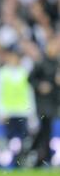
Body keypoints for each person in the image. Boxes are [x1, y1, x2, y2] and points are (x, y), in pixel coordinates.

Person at [0, 47, 36, 166]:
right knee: (8, 139)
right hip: (8, 113)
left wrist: (31, 113)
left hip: (22, 112)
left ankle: (19, 162)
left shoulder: (24, 73)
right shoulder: (0, 73)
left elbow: (29, 94)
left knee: (23, 140)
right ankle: (3, 162)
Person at [28, 38, 60, 167]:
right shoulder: (41, 63)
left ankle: (36, 154)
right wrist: (40, 85)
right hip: (43, 102)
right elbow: (30, 79)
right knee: (45, 129)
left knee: (45, 129)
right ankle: (43, 157)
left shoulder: (57, 63)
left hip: (53, 101)